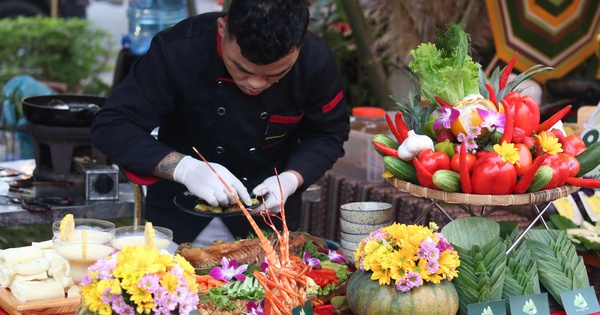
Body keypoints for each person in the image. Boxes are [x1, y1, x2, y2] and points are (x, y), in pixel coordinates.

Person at [91, 0, 350, 245]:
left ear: (300, 47)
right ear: (222, 29)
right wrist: (185, 169)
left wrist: (292, 179)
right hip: (176, 219)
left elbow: (328, 135)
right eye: (242, 69)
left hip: (266, 224)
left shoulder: (316, 61)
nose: (255, 84)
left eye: (276, 75)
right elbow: (113, 125)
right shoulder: (178, 50)